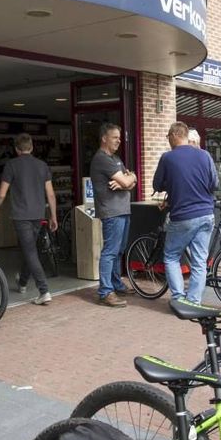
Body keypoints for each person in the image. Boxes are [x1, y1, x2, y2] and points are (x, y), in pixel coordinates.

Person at [152, 122, 218, 303]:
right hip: (206, 214)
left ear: (174, 135)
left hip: (183, 216)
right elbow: (214, 184)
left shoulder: (168, 158)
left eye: (168, 138)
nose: (168, 142)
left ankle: (179, 298)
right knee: (199, 261)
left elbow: (156, 185)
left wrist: (171, 184)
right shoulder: (205, 155)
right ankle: (194, 301)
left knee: (171, 256)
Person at [0, 133, 56, 306]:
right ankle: (23, 282)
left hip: (21, 216)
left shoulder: (11, 165)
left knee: (30, 251)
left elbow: (2, 192)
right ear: (32, 147)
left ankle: (44, 291)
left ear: (16, 149)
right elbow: (50, 193)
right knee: (30, 250)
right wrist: (53, 216)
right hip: (38, 214)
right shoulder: (42, 165)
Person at [90, 123, 137, 307]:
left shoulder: (116, 159)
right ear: (104, 138)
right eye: (115, 137)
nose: (119, 140)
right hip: (112, 212)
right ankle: (105, 292)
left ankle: (116, 284)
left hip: (123, 210)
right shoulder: (102, 159)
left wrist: (128, 180)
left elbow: (131, 181)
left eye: (119, 137)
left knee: (119, 251)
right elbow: (127, 180)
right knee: (110, 252)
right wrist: (126, 181)